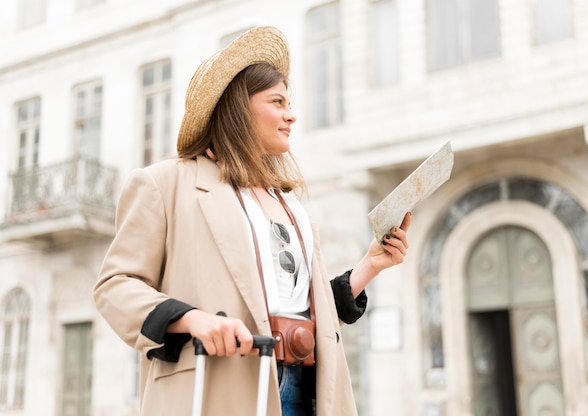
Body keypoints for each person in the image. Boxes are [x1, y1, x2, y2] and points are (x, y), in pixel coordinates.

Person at [93, 26, 411, 416]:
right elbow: (115, 287)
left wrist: (370, 265)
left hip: (308, 388)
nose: (291, 115)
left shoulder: (290, 202)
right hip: (218, 388)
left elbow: (295, 305)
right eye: (277, 101)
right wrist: (191, 319)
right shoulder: (164, 184)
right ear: (238, 108)